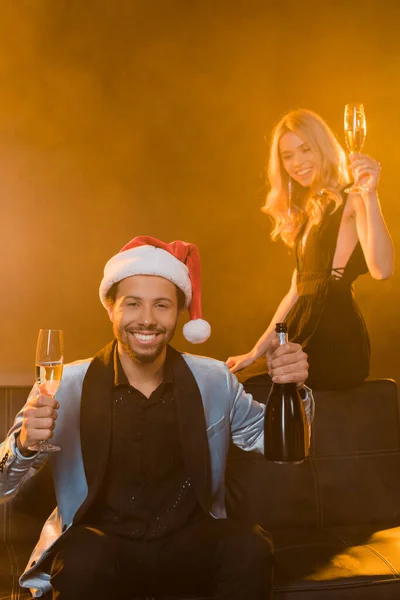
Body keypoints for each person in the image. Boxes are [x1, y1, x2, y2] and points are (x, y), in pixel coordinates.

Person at [0, 235, 313, 600]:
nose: (147, 320)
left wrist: (292, 388)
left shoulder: (214, 379)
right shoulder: (63, 385)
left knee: (250, 548)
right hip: (100, 544)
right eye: (133, 304)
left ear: (179, 312)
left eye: (161, 305)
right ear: (111, 310)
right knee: (83, 558)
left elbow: (279, 441)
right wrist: (23, 447)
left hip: (189, 541)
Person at [227, 109, 394, 390]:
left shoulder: (350, 199)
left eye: (305, 150)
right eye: (287, 155)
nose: (297, 162)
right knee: (239, 381)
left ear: (323, 148)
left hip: (335, 337)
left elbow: (382, 270)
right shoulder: (308, 213)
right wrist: (255, 351)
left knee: (257, 388)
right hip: (302, 332)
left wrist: (370, 194)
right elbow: (296, 293)